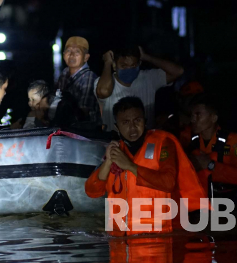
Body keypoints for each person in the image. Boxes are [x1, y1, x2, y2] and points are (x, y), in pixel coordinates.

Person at [85, 97, 207, 236]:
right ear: (117, 126)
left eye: (137, 120)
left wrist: (130, 166)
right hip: (119, 243)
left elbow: (168, 183)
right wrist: (107, 162)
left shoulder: (163, 143)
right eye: (125, 122)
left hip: (156, 238)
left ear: (145, 120)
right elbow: (91, 191)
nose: (132, 127)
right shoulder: (116, 150)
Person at [95, 45, 184, 132]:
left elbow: (178, 71)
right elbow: (103, 91)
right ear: (115, 65)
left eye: (133, 65)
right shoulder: (105, 82)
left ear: (139, 64)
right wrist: (107, 63)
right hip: (114, 142)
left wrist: (147, 57)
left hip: (146, 140)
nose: (129, 69)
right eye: (124, 66)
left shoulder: (148, 78)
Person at [183, 93, 237, 189]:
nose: (193, 119)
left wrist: (210, 165)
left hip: (225, 199)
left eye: (198, 114)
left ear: (213, 118)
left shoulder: (233, 141)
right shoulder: (187, 137)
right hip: (198, 198)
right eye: (192, 115)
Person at [55, 36, 100, 125]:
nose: (71, 55)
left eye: (77, 52)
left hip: (84, 131)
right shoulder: (64, 73)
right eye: (68, 51)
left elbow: (84, 112)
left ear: (86, 57)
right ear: (63, 54)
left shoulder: (89, 77)